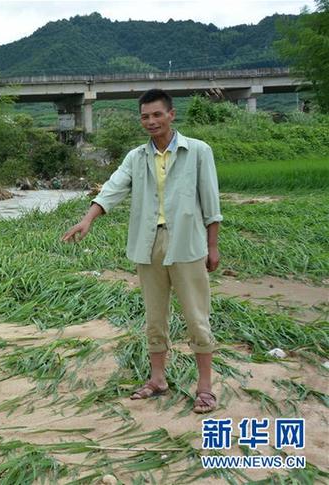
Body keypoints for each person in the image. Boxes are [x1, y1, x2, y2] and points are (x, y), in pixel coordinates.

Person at [61, 89, 222, 414]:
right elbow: (114, 187)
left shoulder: (198, 151)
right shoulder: (137, 157)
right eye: (145, 116)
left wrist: (213, 245)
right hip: (148, 246)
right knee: (154, 317)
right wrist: (88, 219)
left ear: (171, 115)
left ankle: (204, 386)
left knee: (196, 316)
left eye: (157, 115)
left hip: (188, 244)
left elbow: (211, 202)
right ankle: (158, 378)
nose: (151, 121)